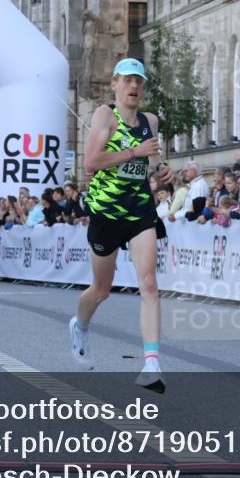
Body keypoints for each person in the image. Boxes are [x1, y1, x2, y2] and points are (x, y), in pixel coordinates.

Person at [76, 58, 173, 393]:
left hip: (139, 210)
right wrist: (133, 151)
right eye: (128, 80)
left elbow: (153, 161)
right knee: (101, 289)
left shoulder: (150, 121)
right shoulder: (105, 116)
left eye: (139, 81)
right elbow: (91, 162)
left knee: (149, 283)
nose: (134, 86)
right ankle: (80, 326)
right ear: (114, 84)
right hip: (106, 211)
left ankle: (151, 364)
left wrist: (162, 170)